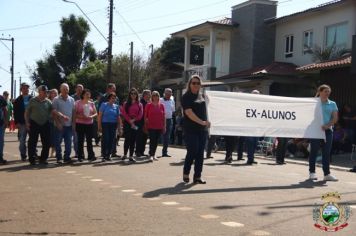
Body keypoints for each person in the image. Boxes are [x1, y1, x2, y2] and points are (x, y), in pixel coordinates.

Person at [181, 75, 210, 184]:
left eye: (198, 83)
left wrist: (208, 122)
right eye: (194, 83)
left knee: (200, 153)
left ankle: (197, 176)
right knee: (193, 151)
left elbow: (208, 110)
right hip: (190, 129)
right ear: (190, 84)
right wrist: (202, 122)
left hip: (202, 130)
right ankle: (186, 173)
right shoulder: (186, 97)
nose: (196, 85)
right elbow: (189, 113)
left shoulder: (202, 96)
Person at [309, 84, 338, 181]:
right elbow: (308, 112)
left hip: (328, 131)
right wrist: (315, 98)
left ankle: (327, 174)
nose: (327, 93)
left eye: (328, 92)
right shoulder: (314, 103)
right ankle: (312, 172)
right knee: (314, 151)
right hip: (315, 130)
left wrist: (327, 125)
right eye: (325, 91)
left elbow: (335, 118)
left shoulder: (332, 103)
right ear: (320, 92)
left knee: (326, 153)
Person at [25, 85, 52, 165]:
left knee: (47, 142)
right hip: (34, 123)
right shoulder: (32, 100)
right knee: (32, 142)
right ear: (39, 91)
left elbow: (52, 111)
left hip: (45, 123)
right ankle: (32, 159)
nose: (46, 93)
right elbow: (26, 112)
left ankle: (43, 159)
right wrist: (27, 122)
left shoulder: (48, 102)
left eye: (46, 91)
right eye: (44, 91)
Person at [52, 83, 75, 164]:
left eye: (67, 89)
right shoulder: (56, 99)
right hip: (59, 126)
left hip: (69, 126)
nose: (66, 90)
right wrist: (58, 123)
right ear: (60, 90)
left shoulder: (72, 99)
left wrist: (73, 123)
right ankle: (59, 158)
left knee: (69, 143)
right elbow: (54, 112)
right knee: (58, 142)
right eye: (64, 89)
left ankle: (67, 157)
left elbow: (73, 112)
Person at [98, 92, 122, 161]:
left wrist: (119, 127)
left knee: (112, 140)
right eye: (112, 98)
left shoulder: (116, 106)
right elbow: (100, 116)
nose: (113, 99)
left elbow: (118, 117)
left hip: (113, 125)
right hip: (105, 124)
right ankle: (104, 154)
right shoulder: (104, 105)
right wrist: (99, 126)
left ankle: (108, 155)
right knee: (106, 139)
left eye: (114, 98)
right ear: (109, 98)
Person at [74, 89, 97, 162]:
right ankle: (80, 156)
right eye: (87, 94)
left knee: (89, 141)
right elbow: (75, 114)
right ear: (83, 95)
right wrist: (82, 117)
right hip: (80, 124)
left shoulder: (92, 103)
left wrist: (91, 116)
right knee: (80, 140)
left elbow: (96, 113)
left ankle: (91, 155)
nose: (88, 95)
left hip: (89, 124)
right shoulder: (78, 103)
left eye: (89, 94)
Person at [121, 88, 143, 161]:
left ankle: (131, 156)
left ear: (137, 95)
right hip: (127, 123)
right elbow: (124, 113)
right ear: (129, 95)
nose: (133, 95)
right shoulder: (125, 103)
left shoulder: (139, 104)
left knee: (133, 139)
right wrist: (130, 121)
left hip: (136, 123)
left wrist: (134, 120)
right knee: (127, 139)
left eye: (135, 94)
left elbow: (140, 114)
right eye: (132, 93)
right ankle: (125, 154)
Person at [14, 82, 33, 161]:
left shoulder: (32, 98)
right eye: (24, 88)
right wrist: (17, 122)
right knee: (22, 140)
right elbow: (15, 112)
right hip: (22, 123)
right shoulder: (18, 100)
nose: (26, 89)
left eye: (27, 88)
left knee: (33, 139)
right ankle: (23, 154)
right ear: (21, 90)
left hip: (32, 122)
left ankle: (33, 154)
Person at [145, 91, 165, 161]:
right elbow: (145, 116)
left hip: (159, 126)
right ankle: (151, 154)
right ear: (152, 97)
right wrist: (145, 124)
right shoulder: (148, 105)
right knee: (152, 140)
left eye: (157, 95)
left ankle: (153, 154)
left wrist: (164, 126)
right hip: (151, 125)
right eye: (154, 95)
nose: (155, 96)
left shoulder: (161, 105)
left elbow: (164, 117)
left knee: (156, 141)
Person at [245, 90, 261, 165]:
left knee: (255, 144)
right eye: (255, 94)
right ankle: (249, 159)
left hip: (257, 127)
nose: (256, 96)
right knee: (250, 143)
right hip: (249, 127)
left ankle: (252, 157)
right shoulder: (248, 103)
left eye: (258, 95)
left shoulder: (260, 105)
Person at [160, 88, 175, 157]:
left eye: (170, 93)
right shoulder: (160, 100)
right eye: (167, 93)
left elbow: (173, 110)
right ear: (164, 93)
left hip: (169, 120)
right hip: (160, 119)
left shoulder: (172, 100)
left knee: (167, 136)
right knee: (157, 135)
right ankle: (152, 152)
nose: (169, 95)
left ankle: (164, 152)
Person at [136, 89, 151, 157]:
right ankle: (138, 151)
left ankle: (142, 151)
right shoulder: (140, 102)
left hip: (147, 122)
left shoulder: (149, 102)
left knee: (145, 137)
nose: (150, 95)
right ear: (144, 95)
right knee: (140, 137)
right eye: (148, 94)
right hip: (140, 122)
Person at [71, 84, 84, 159]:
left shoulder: (85, 97)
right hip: (75, 120)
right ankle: (77, 152)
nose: (80, 91)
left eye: (81, 89)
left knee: (82, 138)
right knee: (76, 138)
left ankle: (81, 152)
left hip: (84, 121)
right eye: (78, 89)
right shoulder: (72, 98)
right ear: (75, 89)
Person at [48, 89, 58, 158]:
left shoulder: (59, 101)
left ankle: (54, 151)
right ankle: (50, 152)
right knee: (50, 137)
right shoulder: (48, 101)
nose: (54, 94)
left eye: (55, 93)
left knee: (57, 137)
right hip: (49, 121)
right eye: (52, 93)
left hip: (58, 121)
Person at [0, 93, 8, 164]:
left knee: (1, 141)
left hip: (1, 124)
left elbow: (5, 109)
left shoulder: (1, 98)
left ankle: (0, 157)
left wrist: (6, 121)